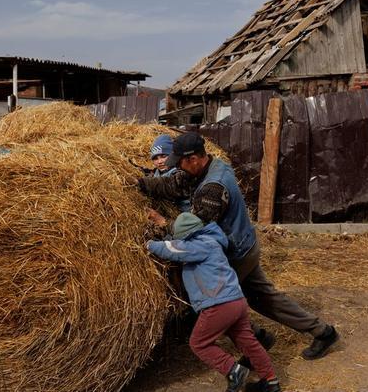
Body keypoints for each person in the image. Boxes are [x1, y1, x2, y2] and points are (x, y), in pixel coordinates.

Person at [138, 132, 339, 361]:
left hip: (235, 253)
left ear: (194, 159)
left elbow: (192, 229)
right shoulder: (209, 166)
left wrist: (164, 224)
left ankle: (255, 347)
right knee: (264, 298)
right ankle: (323, 332)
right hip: (245, 244)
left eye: (180, 163)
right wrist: (141, 184)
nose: (178, 169)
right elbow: (173, 185)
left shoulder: (213, 187)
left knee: (214, 306)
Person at [147, 213, 281, 392]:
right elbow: (177, 242)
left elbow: (173, 249)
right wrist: (163, 224)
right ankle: (271, 381)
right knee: (248, 342)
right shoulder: (210, 240)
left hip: (219, 304)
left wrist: (148, 244)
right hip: (236, 301)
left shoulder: (200, 245)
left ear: (189, 236)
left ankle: (233, 370)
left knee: (199, 343)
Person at [148, 134, 190, 212]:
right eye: (155, 158)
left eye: (164, 156)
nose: (160, 162)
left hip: (184, 214)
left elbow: (167, 184)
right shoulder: (157, 172)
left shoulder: (180, 172)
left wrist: (144, 183)